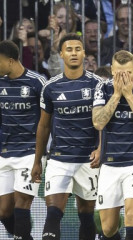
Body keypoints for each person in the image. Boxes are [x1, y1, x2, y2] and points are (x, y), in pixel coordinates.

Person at [0, 40, 47, 240]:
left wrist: (43, 155)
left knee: (22, 204)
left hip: (31, 152)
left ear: (11, 61)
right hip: (7, 152)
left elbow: (50, 119)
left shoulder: (37, 82)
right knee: (3, 212)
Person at [30, 33, 103, 240]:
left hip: (88, 160)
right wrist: (38, 161)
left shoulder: (98, 84)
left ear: (84, 53)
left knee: (87, 215)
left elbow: (102, 121)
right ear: (61, 54)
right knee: (53, 212)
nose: (73, 53)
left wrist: (100, 148)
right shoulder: (50, 87)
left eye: (78, 49)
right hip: (59, 159)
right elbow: (43, 126)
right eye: (69, 49)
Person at [92, 50, 133, 240]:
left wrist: (129, 95)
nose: (123, 77)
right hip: (109, 164)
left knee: (132, 214)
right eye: (119, 72)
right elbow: (98, 122)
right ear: (112, 70)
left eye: (127, 72)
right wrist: (116, 95)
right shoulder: (102, 88)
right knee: (108, 228)